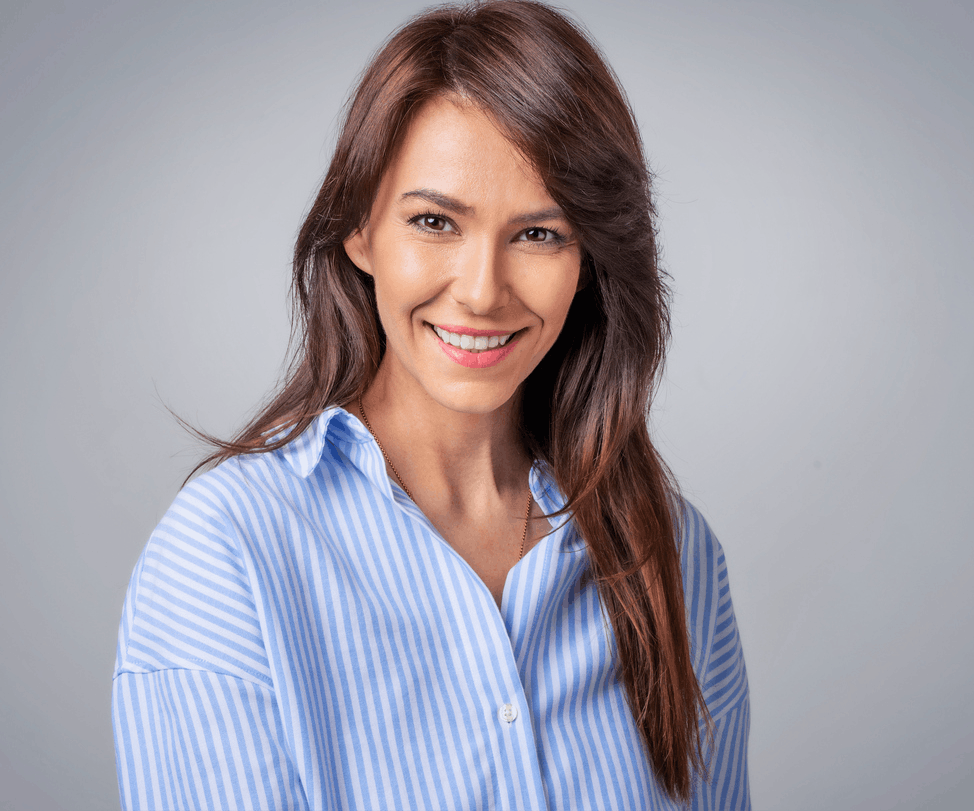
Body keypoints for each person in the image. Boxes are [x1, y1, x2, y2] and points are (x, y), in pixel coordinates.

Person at [112, 1, 750, 808]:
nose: (482, 291)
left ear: (590, 258)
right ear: (359, 230)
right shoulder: (225, 556)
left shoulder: (677, 555)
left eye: (540, 234)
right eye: (435, 221)